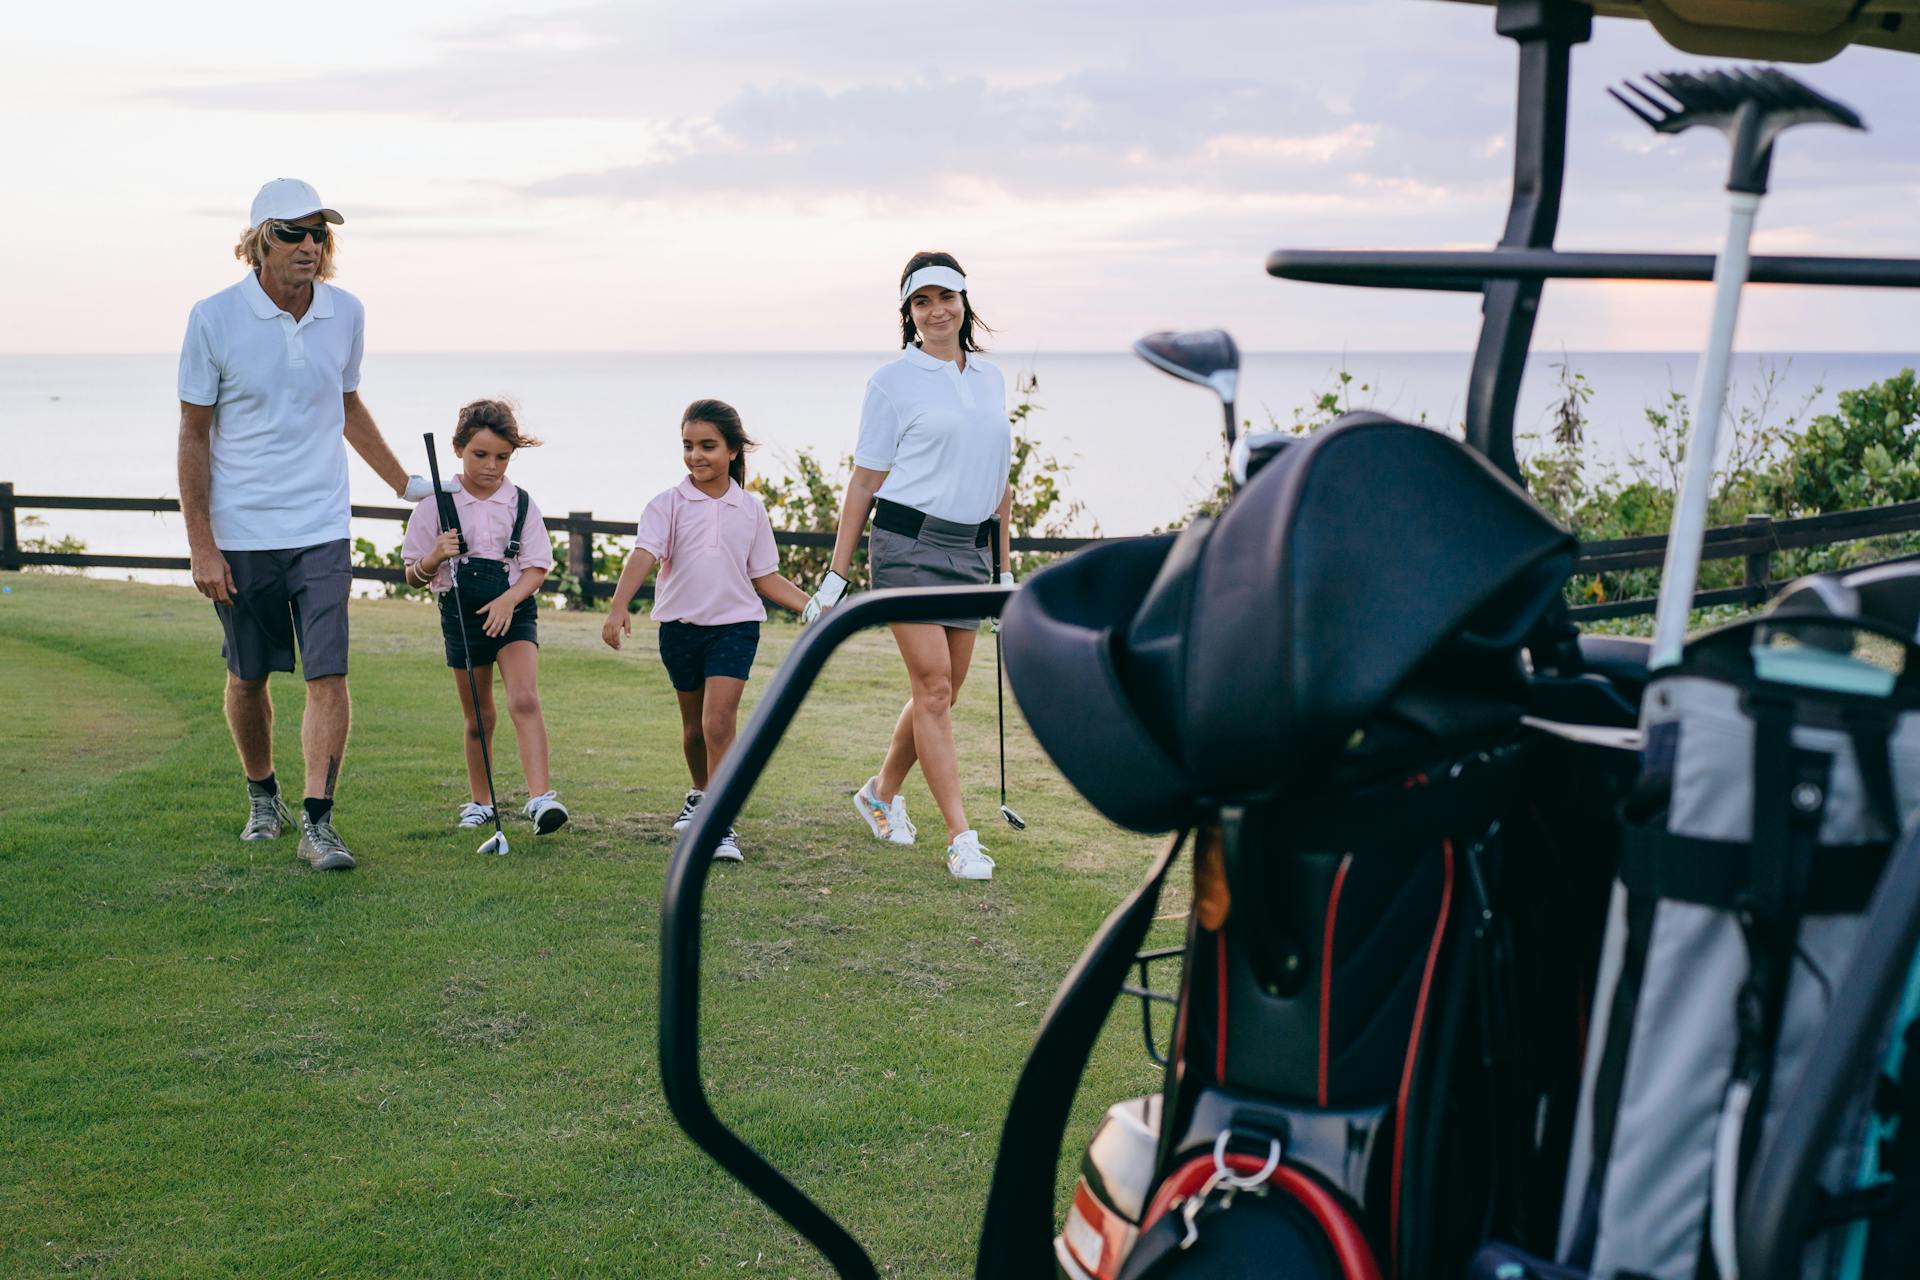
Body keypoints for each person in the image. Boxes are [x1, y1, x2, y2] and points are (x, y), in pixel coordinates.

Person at [178, 178, 449, 872]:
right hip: (242, 533)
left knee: (329, 674)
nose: (309, 245)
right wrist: (201, 544)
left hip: (322, 524)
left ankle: (318, 821)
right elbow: (193, 434)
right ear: (259, 239)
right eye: (293, 232)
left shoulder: (345, 313)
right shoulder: (213, 318)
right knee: (248, 678)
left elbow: (348, 403)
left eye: (318, 232)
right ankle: (261, 795)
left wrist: (403, 485)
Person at [803, 252, 1015, 881]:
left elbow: (999, 483)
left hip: (972, 552)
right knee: (933, 690)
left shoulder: (991, 378)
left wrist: (1004, 568)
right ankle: (962, 837)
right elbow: (866, 480)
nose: (935, 310)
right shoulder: (891, 383)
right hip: (907, 545)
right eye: (920, 302)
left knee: (944, 689)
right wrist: (837, 574)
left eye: (944, 296)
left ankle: (878, 793)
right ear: (908, 313)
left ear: (964, 301)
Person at [601, 399, 810, 861]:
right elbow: (644, 554)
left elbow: (765, 577)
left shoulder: (750, 510)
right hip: (679, 630)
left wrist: (809, 605)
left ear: (733, 450)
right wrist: (618, 607)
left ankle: (720, 823)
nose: (697, 455)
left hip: (735, 628)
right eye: (689, 446)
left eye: (708, 446)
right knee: (695, 730)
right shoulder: (666, 504)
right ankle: (700, 793)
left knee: (719, 723)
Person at [402, 400, 567, 835]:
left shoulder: (522, 504)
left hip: (514, 610)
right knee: (479, 716)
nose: (492, 466)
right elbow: (412, 575)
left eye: (502, 457)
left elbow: (536, 567)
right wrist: (435, 555)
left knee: (525, 700)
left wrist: (509, 601)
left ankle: (540, 800)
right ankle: (481, 802)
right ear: (458, 449)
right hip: (461, 615)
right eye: (481, 455)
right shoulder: (433, 507)